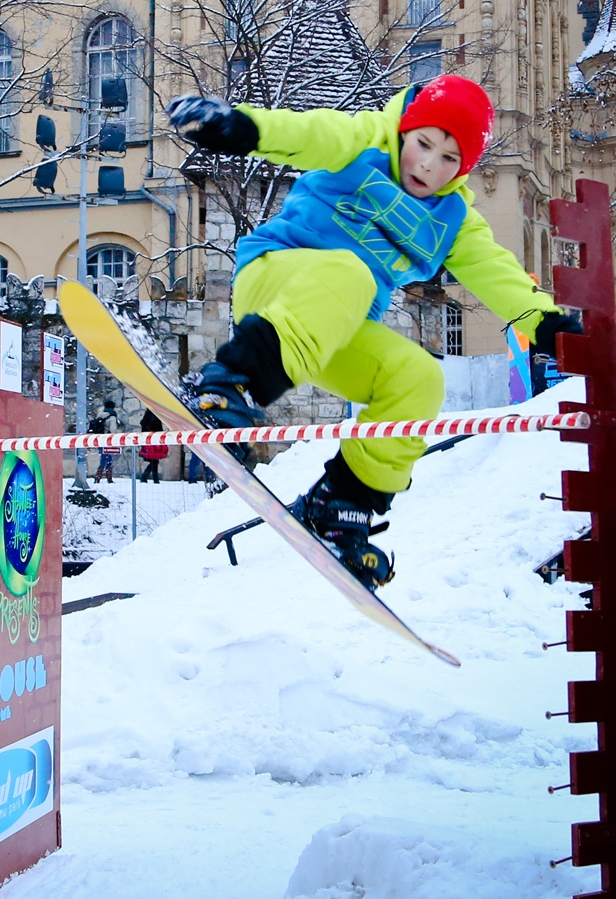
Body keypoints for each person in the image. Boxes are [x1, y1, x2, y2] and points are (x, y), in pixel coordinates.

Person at [168, 75, 581, 591]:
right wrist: (243, 127)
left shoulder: (453, 221)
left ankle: (341, 504)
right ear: (405, 130)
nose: (428, 165)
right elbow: (309, 131)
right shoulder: (365, 139)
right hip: (275, 285)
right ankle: (229, 384)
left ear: (465, 169)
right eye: (424, 144)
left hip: (333, 327)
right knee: (352, 274)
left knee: (417, 378)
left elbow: (498, 273)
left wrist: (546, 323)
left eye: (449, 159)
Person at [89, 400, 118, 484]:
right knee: (107, 457)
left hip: (99, 438)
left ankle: (101, 476)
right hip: (107, 439)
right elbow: (113, 429)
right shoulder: (112, 417)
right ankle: (103, 477)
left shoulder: (100, 415)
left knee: (105, 456)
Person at [139, 408, 167, 483]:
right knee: (155, 460)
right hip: (154, 440)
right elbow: (158, 428)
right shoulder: (155, 417)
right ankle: (148, 477)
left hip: (148, 440)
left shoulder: (147, 416)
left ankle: (150, 477)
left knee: (154, 460)